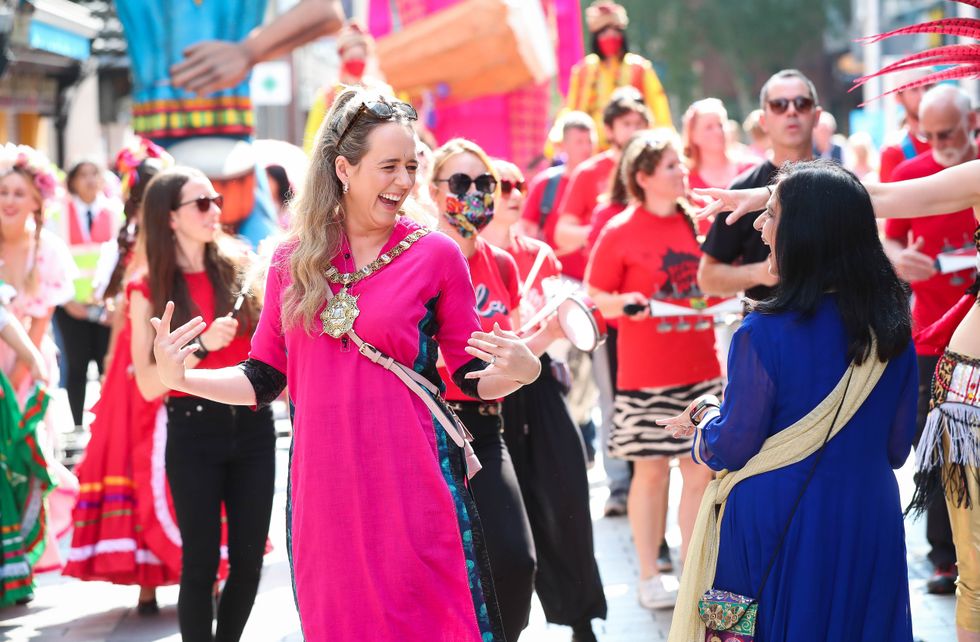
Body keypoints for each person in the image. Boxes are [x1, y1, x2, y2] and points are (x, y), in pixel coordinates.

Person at [150, 88, 541, 642]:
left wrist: (522, 371)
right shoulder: (291, 259)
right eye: (389, 166)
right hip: (325, 493)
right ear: (344, 168)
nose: (404, 181)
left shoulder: (436, 255)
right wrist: (182, 378)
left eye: (411, 166)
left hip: (415, 485)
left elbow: (469, 373)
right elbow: (264, 377)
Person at [663, 160, 917, 642]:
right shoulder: (894, 325)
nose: (760, 226)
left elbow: (732, 447)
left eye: (772, 213)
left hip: (776, 525)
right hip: (868, 518)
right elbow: (897, 448)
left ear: (808, 232)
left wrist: (703, 419)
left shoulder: (762, 333)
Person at [130, 167, 273, 641]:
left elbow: (272, 355)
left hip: (254, 427)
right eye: (202, 203)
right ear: (169, 218)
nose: (216, 210)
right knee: (201, 563)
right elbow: (150, 385)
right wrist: (203, 347)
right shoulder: (147, 286)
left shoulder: (241, 268)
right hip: (193, 431)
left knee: (250, 560)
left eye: (216, 200)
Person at [586, 131, 718, 610]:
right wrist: (625, 303)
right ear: (642, 178)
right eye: (669, 166)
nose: (681, 171)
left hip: (703, 371)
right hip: (645, 378)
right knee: (652, 474)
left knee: (700, 472)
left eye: (680, 162)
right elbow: (595, 295)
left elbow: (712, 286)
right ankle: (648, 575)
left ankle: (694, 571)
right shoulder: (619, 230)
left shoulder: (695, 222)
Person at [481, 158, 607, 642]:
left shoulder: (540, 255)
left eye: (519, 185)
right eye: (501, 184)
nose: (513, 192)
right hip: (486, 398)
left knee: (567, 498)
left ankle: (581, 620)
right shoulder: (457, 254)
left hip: (540, 391)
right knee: (501, 528)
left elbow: (565, 334)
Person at [429, 138, 545, 642]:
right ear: (434, 192)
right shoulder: (417, 256)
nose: (474, 194)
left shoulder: (501, 265)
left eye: (484, 183)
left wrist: (536, 353)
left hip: (484, 422)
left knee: (515, 563)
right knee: (441, 569)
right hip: (426, 425)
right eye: (460, 182)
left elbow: (509, 352)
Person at [115, 0, 345, 246]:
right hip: (163, 147)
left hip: (230, 143)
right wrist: (248, 51)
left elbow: (327, 11)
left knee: (263, 264)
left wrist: (248, 51)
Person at [64, 143, 183, 614]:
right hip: (145, 359)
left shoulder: (147, 236)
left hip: (146, 357)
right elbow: (124, 309)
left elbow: (121, 309)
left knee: (160, 456)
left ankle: (153, 582)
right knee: (157, 455)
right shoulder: (155, 237)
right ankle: (159, 577)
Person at [884, 84, 978, 596]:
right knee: (938, 449)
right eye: (928, 132)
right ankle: (945, 558)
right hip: (932, 337)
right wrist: (899, 256)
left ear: (973, 122)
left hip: (977, 337)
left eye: (948, 133)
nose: (937, 142)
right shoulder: (912, 172)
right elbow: (888, 227)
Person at [0, 145, 80, 579]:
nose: (8, 201)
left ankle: (28, 557)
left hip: (29, 364)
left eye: (18, 192)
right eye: (2, 191)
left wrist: (11, 385)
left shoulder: (46, 249)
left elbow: (36, 327)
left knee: (27, 455)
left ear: (36, 201)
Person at [698, 68, 820, 301]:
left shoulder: (841, 182)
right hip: (766, 330)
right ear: (763, 120)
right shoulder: (744, 189)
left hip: (834, 331)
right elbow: (707, 277)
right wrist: (759, 273)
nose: (792, 111)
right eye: (779, 105)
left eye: (802, 103)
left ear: (817, 115)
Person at [53, 160, 122, 429]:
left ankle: (105, 426)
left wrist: (114, 302)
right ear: (72, 181)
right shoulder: (57, 214)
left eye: (96, 174)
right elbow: (51, 263)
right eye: (83, 175)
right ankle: (78, 425)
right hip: (70, 307)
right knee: (77, 366)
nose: (91, 180)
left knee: (107, 365)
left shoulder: (116, 212)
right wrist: (68, 302)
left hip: (107, 308)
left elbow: (123, 261)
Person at [554, 0, 671, 152]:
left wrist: (663, 142)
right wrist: (558, 139)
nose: (611, 37)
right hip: (591, 149)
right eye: (604, 32)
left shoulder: (639, 68)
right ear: (596, 37)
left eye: (615, 32)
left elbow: (659, 111)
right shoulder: (584, 70)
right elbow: (571, 109)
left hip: (633, 148)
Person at [302, 22, 391, 155]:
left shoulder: (382, 92)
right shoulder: (327, 96)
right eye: (351, 58)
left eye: (360, 58)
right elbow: (311, 144)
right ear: (342, 59)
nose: (356, 62)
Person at [521, 111, 596, 246]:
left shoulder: (603, 183)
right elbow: (525, 229)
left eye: (589, 141)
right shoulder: (545, 184)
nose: (586, 148)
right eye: (579, 142)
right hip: (555, 264)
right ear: (564, 145)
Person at [682, 99, 755, 234]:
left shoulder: (752, 169)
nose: (718, 131)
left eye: (720, 125)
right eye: (709, 127)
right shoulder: (684, 180)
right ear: (693, 135)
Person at [878, 71, 934, 183]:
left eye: (927, 87)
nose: (923, 96)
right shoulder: (893, 150)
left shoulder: (955, 140)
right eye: (914, 89)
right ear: (899, 97)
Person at [264, 163, 293, 229]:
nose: (264, 184)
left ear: (278, 181)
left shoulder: (291, 208)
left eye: (268, 179)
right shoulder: (263, 204)